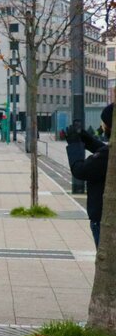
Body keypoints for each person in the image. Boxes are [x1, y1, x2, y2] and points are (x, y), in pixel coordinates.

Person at [67, 104, 111, 248]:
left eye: (104, 123)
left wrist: (74, 144)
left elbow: (80, 170)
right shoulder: (109, 153)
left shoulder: (107, 156)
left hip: (105, 219)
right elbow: (105, 151)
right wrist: (86, 139)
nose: (102, 126)